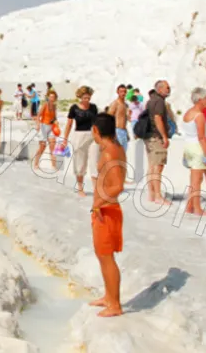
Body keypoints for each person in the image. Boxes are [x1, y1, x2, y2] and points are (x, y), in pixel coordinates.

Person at [89, 112, 126, 318]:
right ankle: (109, 297)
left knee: (106, 257)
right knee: (102, 256)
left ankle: (115, 304)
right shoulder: (116, 148)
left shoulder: (109, 152)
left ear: (96, 130)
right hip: (107, 208)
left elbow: (118, 185)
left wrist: (97, 203)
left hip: (106, 210)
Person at [182, 88, 206, 216]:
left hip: (188, 147)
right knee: (197, 180)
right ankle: (197, 208)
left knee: (193, 179)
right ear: (200, 99)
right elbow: (201, 137)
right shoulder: (198, 115)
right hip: (197, 149)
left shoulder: (188, 113)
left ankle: (190, 206)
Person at [64, 86, 99, 196]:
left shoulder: (93, 107)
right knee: (80, 163)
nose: (87, 100)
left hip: (92, 136)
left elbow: (96, 124)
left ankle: (96, 189)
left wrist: (100, 137)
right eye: (85, 98)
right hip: (79, 136)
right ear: (80, 96)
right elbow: (69, 124)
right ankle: (80, 188)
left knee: (95, 161)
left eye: (89, 98)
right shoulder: (74, 108)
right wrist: (65, 139)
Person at [144, 80, 172, 205]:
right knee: (157, 167)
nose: (169, 89)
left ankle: (152, 194)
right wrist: (164, 137)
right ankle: (158, 196)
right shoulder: (159, 101)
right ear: (160, 89)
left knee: (152, 166)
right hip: (156, 137)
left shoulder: (151, 100)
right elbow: (157, 118)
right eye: (167, 87)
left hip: (149, 136)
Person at [33, 90, 59, 172]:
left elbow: (54, 117)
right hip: (43, 126)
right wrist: (37, 125)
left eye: (53, 97)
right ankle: (36, 163)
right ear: (48, 97)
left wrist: (56, 121)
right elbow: (38, 116)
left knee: (52, 146)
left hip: (51, 127)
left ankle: (54, 166)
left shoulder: (54, 106)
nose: (52, 98)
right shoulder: (45, 105)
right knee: (42, 147)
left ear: (55, 98)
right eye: (50, 96)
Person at [106, 84, 130, 151]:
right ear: (117, 92)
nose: (123, 93)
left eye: (124, 91)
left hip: (124, 131)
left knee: (123, 154)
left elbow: (126, 119)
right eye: (121, 91)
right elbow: (108, 118)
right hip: (117, 131)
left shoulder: (126, 105)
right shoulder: (115, 103)